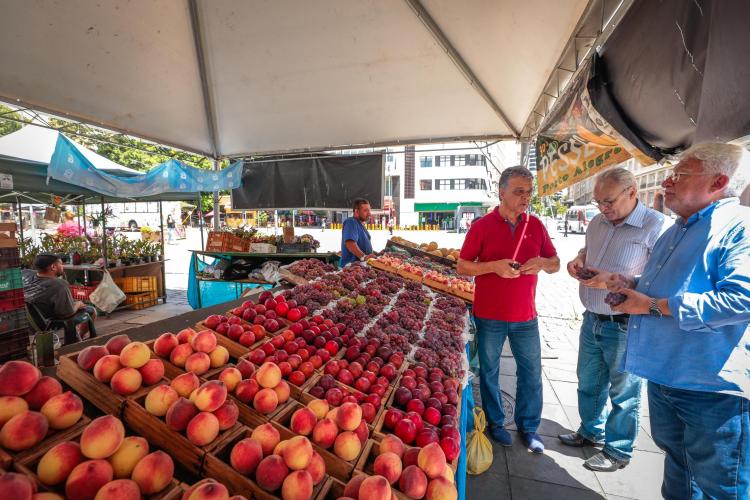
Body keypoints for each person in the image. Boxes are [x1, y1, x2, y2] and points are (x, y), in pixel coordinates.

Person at [608, 143, 750, 498]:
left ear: (719, 181)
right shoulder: (677, 229)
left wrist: (654, 305)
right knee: (679, 471)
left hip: (710, 388)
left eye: (680, 174)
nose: (667, 182)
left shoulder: (738, 227)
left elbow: (742, 299)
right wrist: (631, 285)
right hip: (664, 375)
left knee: (721, 486)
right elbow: (665, 288)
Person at [562, 168, 665, 471]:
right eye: (598, 203)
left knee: (624, 392)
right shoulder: (597, 222)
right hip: (591, 317)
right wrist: (580, 259)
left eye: (608, 202)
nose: (603, 209)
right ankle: (590, 430)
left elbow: (660, 280)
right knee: (588, 381)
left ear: (632, 192)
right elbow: (588, 249)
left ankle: (618, 451)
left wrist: (620, 279)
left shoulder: (655, 226)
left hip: (624, 324)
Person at [457, 166, 560, 453]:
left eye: (528, 192)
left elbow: (555, 263)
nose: (525, 197)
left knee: (531, 373)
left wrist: (541, 263)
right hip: (489, 315)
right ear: (501, 193)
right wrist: (494, 267)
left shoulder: (536, 226)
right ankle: (496, 422)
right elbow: (462, 265)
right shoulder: (481, 226)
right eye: (518, 191)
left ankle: (529, 427)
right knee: (489, 371)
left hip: (526, 316)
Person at [23, 253, 97, 344]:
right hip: (48, 321)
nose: (63, 266)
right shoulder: (59, 285)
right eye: (61, 264)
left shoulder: (26, 275)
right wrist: (77, 304)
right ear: (53, 267)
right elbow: (67, 315)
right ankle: (80, 337)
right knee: (91, 310)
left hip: (29, 322)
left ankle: (78, 336)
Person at [340, 198, 374, 266]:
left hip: (361, 267)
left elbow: (363, 246)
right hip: (351, 268)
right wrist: (363, 257)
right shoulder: (351, 222)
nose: (369, 213)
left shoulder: (360, 225)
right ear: (357, 212)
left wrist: (374, 254)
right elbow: (350, 243)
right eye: (365, 210)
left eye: (369, 210)